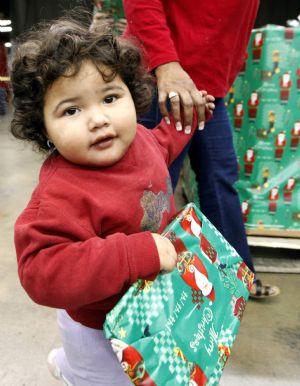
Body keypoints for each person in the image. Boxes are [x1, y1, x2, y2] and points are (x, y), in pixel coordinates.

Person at [10, 10, 214, 385]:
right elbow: (41, 271)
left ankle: (70, 363)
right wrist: (132, 255)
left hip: (149, 305)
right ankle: (74, 368)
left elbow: (164, 145)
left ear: (132, 97)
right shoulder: (60, 195)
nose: (98, 119)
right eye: (71, 109)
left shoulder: (139, 140)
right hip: (97, 329)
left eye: (109, 97)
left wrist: (187, 118)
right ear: (45, 130)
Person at [123, 0, 280, 299]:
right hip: (162, 78)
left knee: (220, 183)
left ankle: (238, 279)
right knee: (152, 189)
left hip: (208, 88)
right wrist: (165, 63)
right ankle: (136, 296)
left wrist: (225, 74)